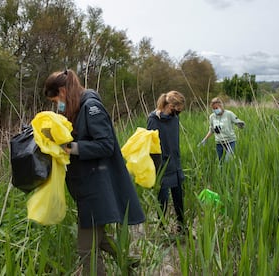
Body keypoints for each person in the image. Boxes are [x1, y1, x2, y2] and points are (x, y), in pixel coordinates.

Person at [43, 69, 145, 275]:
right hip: (87, 186)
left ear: (63, 90)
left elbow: (106, 145)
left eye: (56, 100)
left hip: (96, 188)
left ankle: (127, 266)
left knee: (86, 249)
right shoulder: (77, 108)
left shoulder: (91, 107)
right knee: (101, 239)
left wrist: (70, 147)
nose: (57, 105)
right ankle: (130, 265)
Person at [146, 91, 186, 234]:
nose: (176, 113)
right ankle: (162, 230)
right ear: (169, 105)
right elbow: (150, 145)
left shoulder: (175, 119)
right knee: (162, 199)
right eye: (175, 109)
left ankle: (182, 226)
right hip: (162, 166)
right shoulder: (153, 120)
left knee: (179, 198)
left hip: (175, 163)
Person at [198, 97, 245, 163]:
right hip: (219, 143)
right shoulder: (212, 117)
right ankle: (221, 172)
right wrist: (205, 139)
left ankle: (230, 171)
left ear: (221, 106)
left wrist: (240, 124)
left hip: (230, 141)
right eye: (213, 109)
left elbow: (238, 121)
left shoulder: (229, 114)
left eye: (216, 108)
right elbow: (211, 130)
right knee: (220, 162)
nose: (215, 110)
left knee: (228, 160)